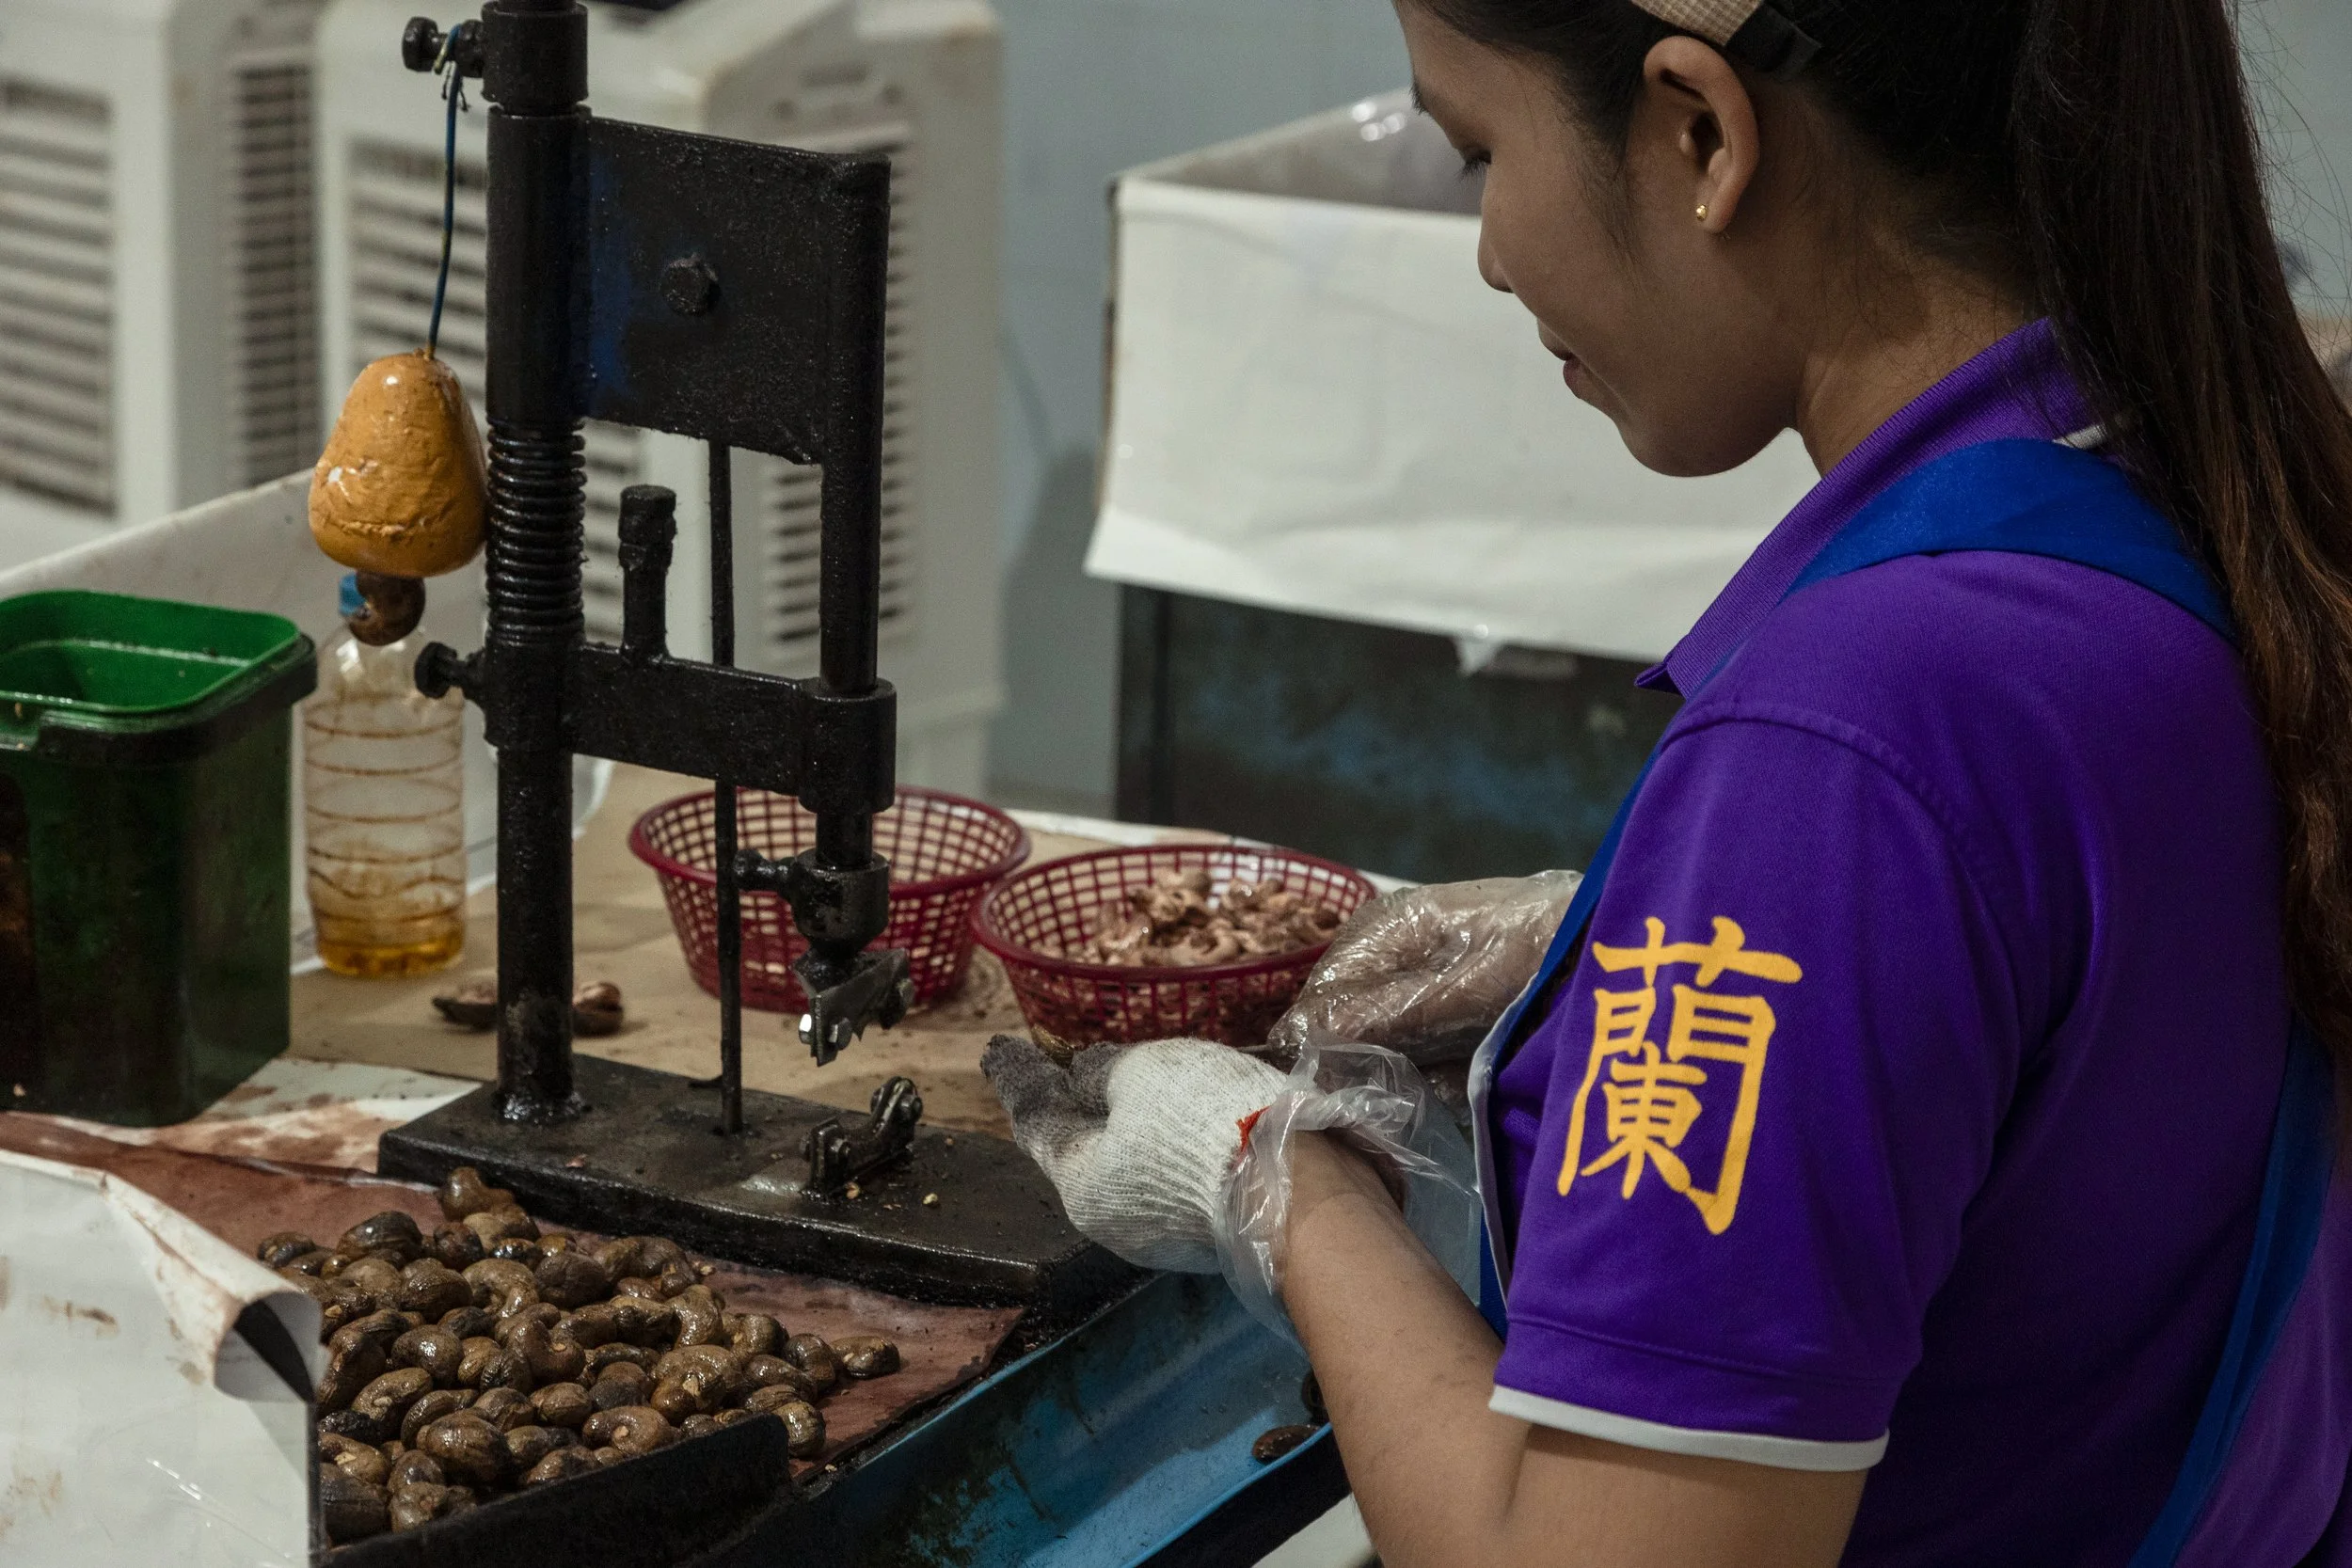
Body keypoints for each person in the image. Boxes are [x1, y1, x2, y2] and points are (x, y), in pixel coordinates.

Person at [982, 0, 2352, 1561]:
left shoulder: (1854, 740)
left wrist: (1280, 1184)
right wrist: (1609, 944)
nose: (1492, 250)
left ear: (1701, 130)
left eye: (1480, 150)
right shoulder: (2210, 509)